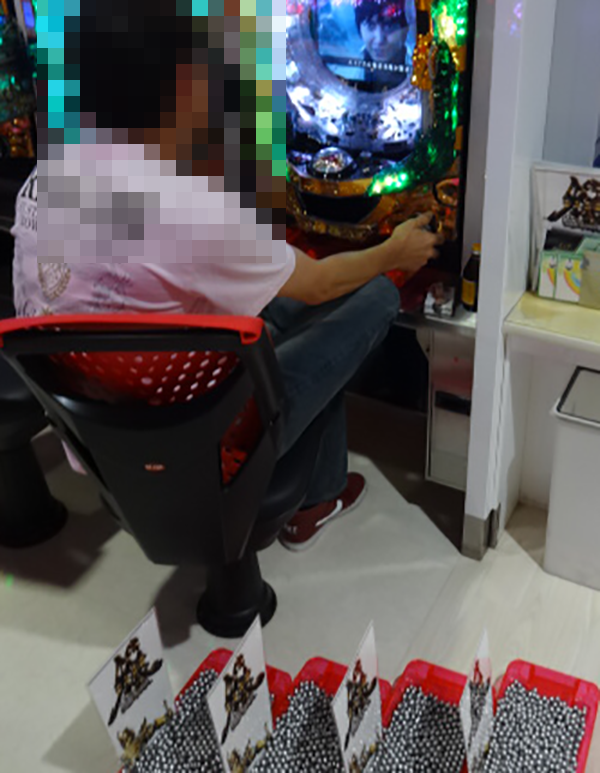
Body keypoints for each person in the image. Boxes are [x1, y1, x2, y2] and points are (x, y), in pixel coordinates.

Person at [14, 1, 442, 551]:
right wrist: (394, 252)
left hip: (98, 431)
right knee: (373, 295)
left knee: (293, 309)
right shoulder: (191, 206)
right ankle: (314, 497)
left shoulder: (49, 173)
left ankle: (320, 494)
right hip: (202, 435)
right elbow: (320, 283)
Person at [354, 0, 411, 89]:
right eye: (371, 26)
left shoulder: (421, 68)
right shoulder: (345, 69)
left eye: (388, 26)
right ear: (359, 30)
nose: (379, 39)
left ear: (405, 29)